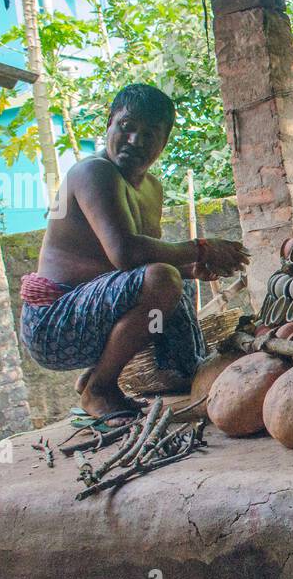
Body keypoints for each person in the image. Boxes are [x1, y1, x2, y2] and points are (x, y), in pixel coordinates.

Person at [19, 84, 248, 417]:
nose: (135, 140)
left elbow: (135, 268)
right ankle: (99, 388)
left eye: (149, 133)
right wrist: (201, 248)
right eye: (127, 127)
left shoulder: (152, 188)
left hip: (93, 312)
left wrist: (190, 269)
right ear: (109, 123)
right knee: (163, 278)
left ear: (163, 143)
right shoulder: (93, 172)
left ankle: (150, 371)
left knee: (174, 280)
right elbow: (125, 254)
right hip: (54, 324)